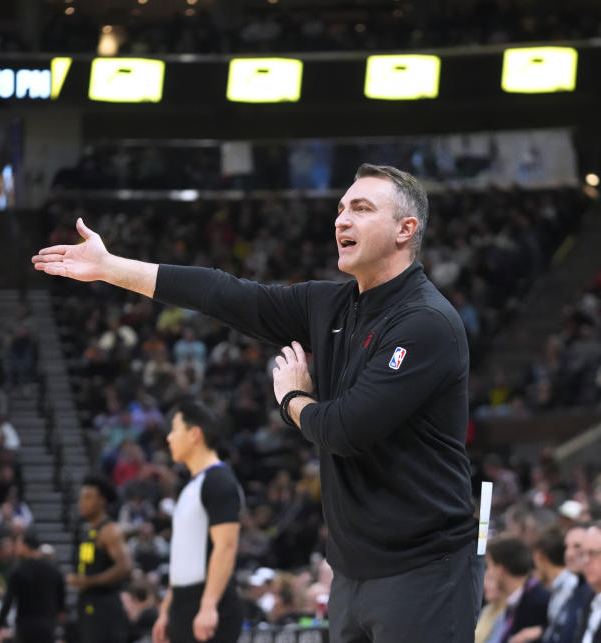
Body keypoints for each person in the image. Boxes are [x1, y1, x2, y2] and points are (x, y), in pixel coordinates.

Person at [33, 164, 478, 641]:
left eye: (362, 209)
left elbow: (348, 430)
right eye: (342, 208)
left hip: (426, 572)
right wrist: (110, 268)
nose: (342, 220)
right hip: (353, 573)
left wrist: (292, 398)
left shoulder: (425, 322)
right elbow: (225, 294)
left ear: (405, 230)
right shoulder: (330, 304)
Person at [152, 401, 244, 643]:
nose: (169, 438)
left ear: (194, 434)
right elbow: (183, 555)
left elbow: (226, 546)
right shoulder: (191, 486)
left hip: (210, 605)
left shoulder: (219, 481)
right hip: (184, 605)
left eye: (174, 430)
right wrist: (166, 609)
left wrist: (208, 605)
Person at [67, 473, 132, 643]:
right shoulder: (89, 530)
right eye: (82, 497)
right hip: (88, 601)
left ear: (102, 501)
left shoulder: (108, 530)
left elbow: (125, 566)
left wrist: (90, 581)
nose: (82, 502)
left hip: (105, 604)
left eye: (88, 497)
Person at [0, 531, 65, 643]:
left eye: (19, 545)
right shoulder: (53, 570)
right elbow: (61, 602)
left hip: (26, 625)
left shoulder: (18, 570)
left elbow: (8, 601)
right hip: (47, 625)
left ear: (25, 547)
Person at [484, 535, 550, 643]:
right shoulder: (516, 601)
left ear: (500, 569)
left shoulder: (539, 601)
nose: (488, 573)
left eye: (489, 566)